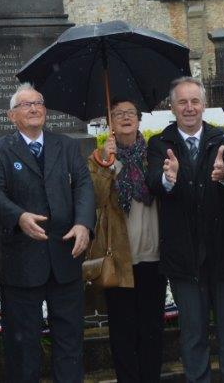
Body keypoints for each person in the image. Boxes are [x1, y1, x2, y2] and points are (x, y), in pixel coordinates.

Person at [0, 83, 95, 383]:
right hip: (22, 263)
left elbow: (83, 186)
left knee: (70, 343)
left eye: (38, 103)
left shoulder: (67, 146)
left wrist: (84, 223)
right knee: (23, 348)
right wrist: (17, 217)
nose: (33, 108)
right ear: (11, 115)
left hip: (65, 257)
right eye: (25, 105)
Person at [146, 76, 224, 383]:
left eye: (195, 101)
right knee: (193, 337)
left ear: (204, 105)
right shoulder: (160, 144)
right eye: (182, 102)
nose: (189, 108)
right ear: (172, 107)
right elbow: (154, 181)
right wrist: (169, 178)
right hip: (184, 259)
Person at [86, 96, 166, 383]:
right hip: (119, 257)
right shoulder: (99, 158)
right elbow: (93, 197)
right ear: (110, 124)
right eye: (118, 113)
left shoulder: (154, 153)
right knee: (122, 332)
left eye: (131, 113)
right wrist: (106, 164)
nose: (125, 117)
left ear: (139, 120)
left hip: (154, 254)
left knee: (152, 330)